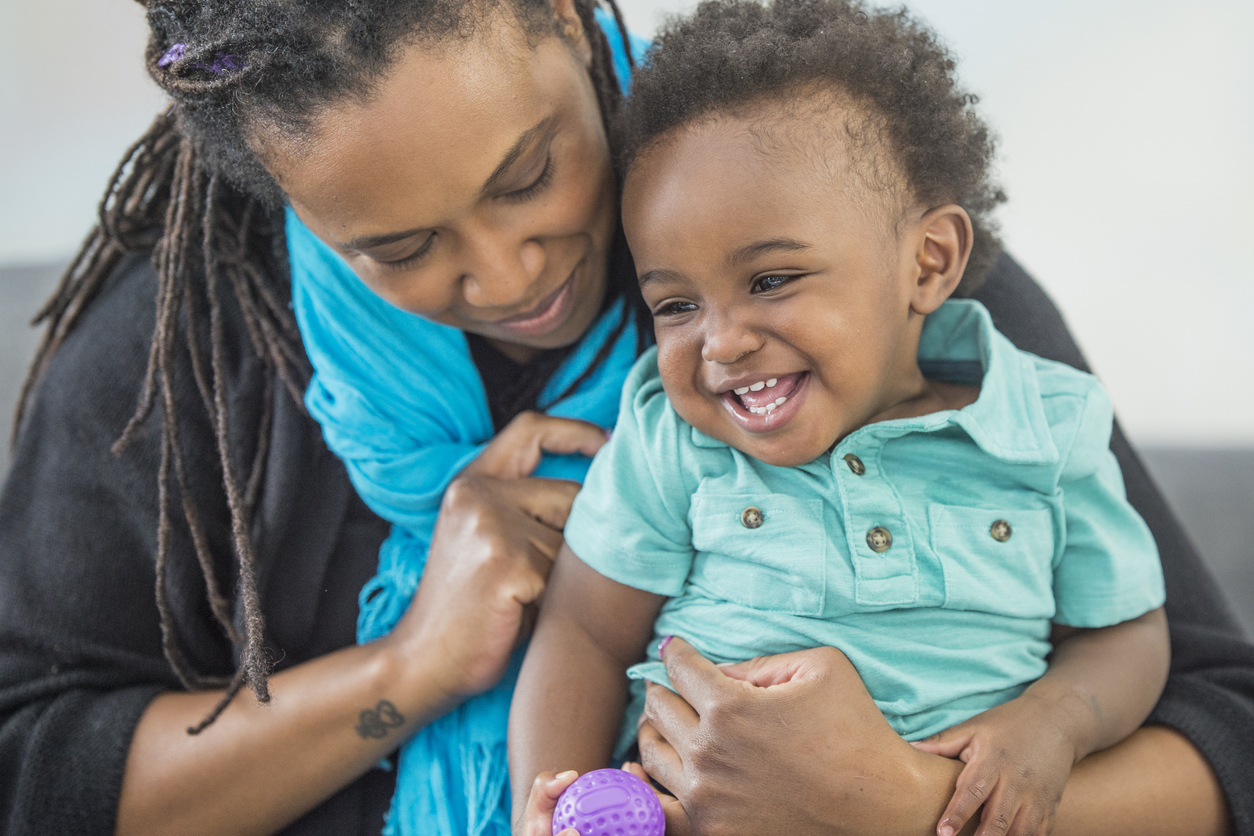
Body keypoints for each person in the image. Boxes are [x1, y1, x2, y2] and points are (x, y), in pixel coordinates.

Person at [0, 0, 1248, 835]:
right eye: (400, 248)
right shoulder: (176, 347)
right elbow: (34, 766)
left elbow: (1219, 725)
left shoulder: (840, 222)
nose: (508, 275)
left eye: (530, 171)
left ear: (562, 12)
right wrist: (412, 665)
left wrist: (904, 803)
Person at [508, 4, 1169, 836]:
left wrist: (1054, 723)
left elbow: (1127, 631)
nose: (722, 342)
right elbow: (583, 635)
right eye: (675, 304)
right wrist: (552, 799)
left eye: (771, 280)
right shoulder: (673, 440)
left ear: (927, 262)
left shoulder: (1046, 428)